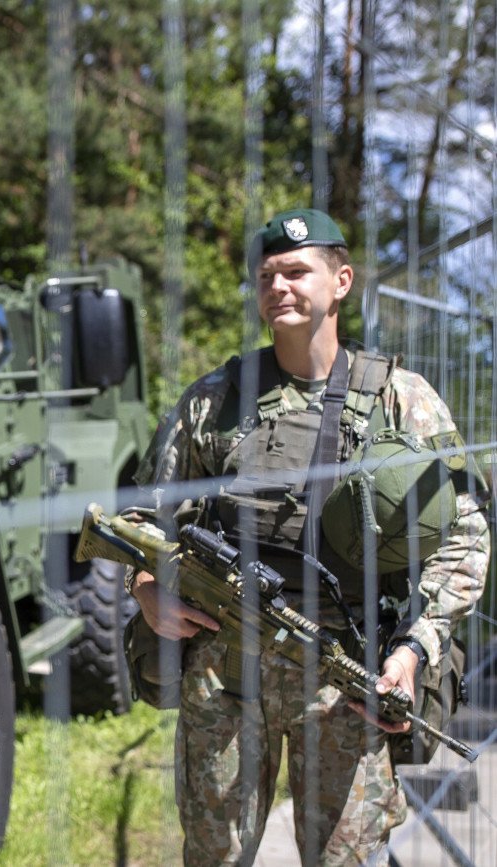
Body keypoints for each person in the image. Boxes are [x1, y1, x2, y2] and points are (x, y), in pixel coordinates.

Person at [125, 207, 490, 864]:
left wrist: (412, 651)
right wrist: (146, 584)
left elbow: (464, 537)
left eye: (296, 270)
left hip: (344, 676)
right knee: (212, 854)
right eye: (266, 275)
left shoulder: (400, 402)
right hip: (222, 670)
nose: (278, 286)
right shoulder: (214, 399)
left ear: (341, 280)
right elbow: (143, 518)